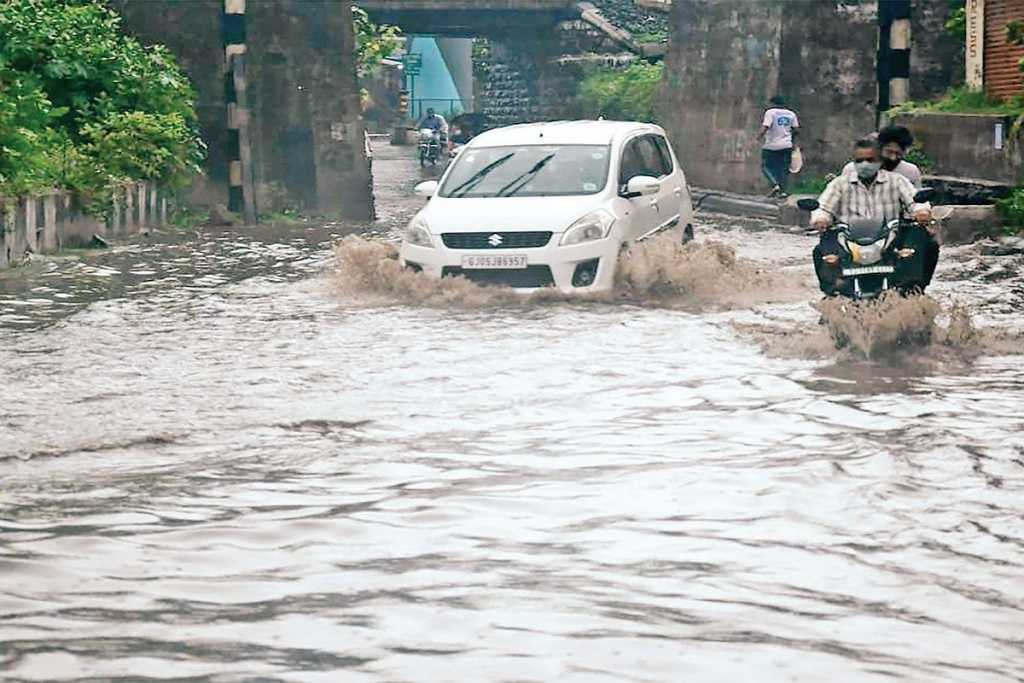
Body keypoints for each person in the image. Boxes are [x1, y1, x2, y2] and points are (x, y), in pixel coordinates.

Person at [811, 137, 935, 295]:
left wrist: (921, 211)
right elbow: (823, 206)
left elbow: (914, 199)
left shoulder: (897, 181)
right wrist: (820, 218)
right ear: (854, 162)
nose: (865, 164)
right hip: (848, 237)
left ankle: (913, 288)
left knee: (925, 244)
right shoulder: (839, 184)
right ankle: (834, 291)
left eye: (870, 160)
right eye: (860, 160)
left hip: (891, 236)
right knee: (821, 250)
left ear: (880, 161)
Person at [841, 125, 922, 188]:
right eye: (889, 152)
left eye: (898, 154)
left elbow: (917, 202)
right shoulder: (853, 169)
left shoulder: (910, 172)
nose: (893, 158)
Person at [760, 95, 799, 198]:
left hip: (771, 145)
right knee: (783, 168)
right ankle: (783, 191)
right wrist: (793, 143)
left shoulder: (770, 112)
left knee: (765, 166)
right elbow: (796, 130)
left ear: (773, 103)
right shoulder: (791, 114)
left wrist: (758, 137)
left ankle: (775, 185)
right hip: (786, 145)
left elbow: (765, 127)